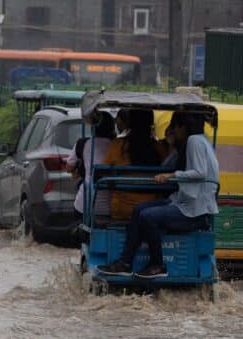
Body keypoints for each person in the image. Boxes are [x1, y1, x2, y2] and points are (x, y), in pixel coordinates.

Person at [100, 112, 218, 278]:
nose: (173, 132)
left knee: (148, 216)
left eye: (174, 128)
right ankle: (125, 263)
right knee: (138, 210)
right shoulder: (201, 140)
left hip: (193, 211)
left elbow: (200, 172)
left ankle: (157, 265)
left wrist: (170, 175)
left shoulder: (194, 141)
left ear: (182, 127)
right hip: (184, 203)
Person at [102, 108, 170, 221]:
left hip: (120, 210)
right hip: (150, 209)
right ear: (151, 124)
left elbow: (103, 172)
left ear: (129, 122)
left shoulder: (117, 145)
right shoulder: (159, 148)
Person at [66, 111, 116, 217]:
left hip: (84, 206)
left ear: (93, 127)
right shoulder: (117, 146)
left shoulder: (83, 143)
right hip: (111, 208)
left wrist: (79, 168)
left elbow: (69, 168)